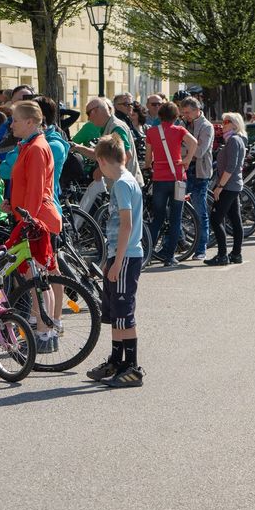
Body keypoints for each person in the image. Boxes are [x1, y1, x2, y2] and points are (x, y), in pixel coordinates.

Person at [85, 135, 145, 387]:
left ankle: (131, 367)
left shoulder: (121, 184)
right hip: (120, 255)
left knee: (124, 314)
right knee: (116, 312)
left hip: (127, 255)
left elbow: (126, 225)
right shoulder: (126, 180)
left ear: (101, 161)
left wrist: (118, 261)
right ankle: (116, 359)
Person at [6, 100, 63, 350]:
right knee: (38, 279)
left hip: (36, 221)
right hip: (32, 218)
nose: (12, 124)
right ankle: (44, 330)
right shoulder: (30, 145)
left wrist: (26, 220)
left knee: (37, 280)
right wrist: (15, 206)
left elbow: (36, 191)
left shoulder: (37, 148)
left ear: (30, 122)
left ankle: (43, 333)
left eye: (16, 120)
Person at [144, 101, 197, 266]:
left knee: (158, 218)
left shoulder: (152, 132)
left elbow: (148, 157)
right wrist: (187, 160)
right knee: (176, 218)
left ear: (160, 116)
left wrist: (148, 167)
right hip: (178, 179)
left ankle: (148, 253)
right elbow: (194, 142)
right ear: (176, 117)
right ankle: (169, 257)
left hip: (160, 179)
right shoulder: (180, 130)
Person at [205, 113, 248, 266]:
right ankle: (236, 254)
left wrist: (219, 187)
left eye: (226, 122)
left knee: (216, 219)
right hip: (233, 185)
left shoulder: (234, 140)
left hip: (229, 185)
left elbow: (231, 167)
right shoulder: (234, 140)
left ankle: (222, 255)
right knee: (235, 219)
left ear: (235, 124)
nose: (223, 125)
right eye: (223, 121)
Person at [179, 97, 214, 258]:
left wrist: (186, 147)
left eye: (187, 112)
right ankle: (181, 243)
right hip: (183, 171)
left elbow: (199, 152)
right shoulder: (183, 124)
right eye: (183, 112)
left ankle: (201, 249)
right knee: (175, 207)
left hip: (199, 174)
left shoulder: (206, 126)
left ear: (197, 110)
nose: (185, 115)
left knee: (200, 212)